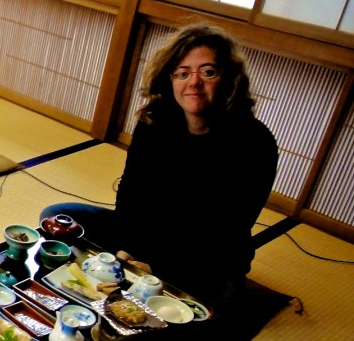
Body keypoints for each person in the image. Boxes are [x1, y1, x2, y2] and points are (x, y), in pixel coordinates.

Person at [39, 23, 278, 308]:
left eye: (208, 71)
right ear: (170, 79)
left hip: (206, 257)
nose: (194, 82)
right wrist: (128, 247)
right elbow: (131, 192)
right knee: (57, 216)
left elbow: (225, 229)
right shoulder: (154, 122)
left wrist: (158, 267)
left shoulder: (254, 143)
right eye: (183, 73)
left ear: (229, 79)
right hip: (144, 234)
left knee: (208, 301)